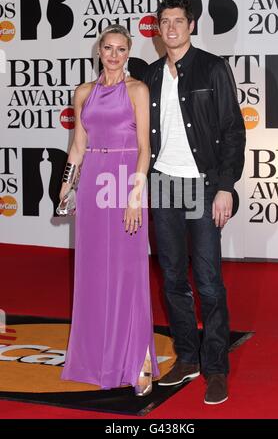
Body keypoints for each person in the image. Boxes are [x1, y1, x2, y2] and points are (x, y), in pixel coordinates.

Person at [143, 0, 245, 404]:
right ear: (157, 29)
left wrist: (225, 186)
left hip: (203, 184)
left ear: (191, 25)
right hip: (164, 183)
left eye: (178, 21)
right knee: (171, 279)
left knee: (207, 281)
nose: (170, 28)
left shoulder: (213, 67)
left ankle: (216, 366)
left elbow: (233, 130)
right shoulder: (149, 75)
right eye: (163, 21)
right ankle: (187, 357)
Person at [59, 24, 159, 396]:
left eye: (120, 49)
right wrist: (66, 184)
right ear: (98, 51)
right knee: (93, 274)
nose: (113, 55)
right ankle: (95, 360)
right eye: (108, 48)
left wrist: (135, 196)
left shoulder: (137, 89)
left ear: (128, 53)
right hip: (91, 187)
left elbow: (145, 148)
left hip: (123, 183)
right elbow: (77, 148)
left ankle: (138, 363)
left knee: (129, 276)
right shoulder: (84, 92)